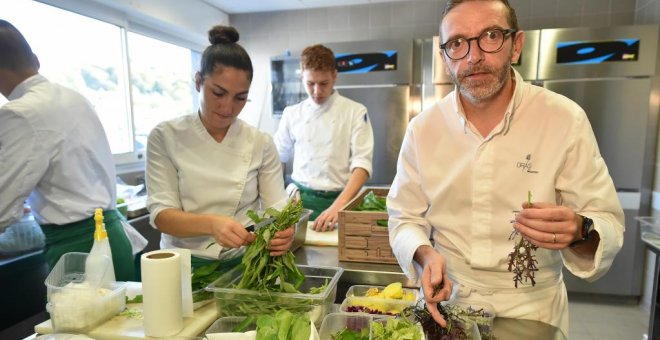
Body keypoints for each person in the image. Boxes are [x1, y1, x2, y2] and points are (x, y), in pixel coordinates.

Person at [386, 0, 624, 336]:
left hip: (532, 308)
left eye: (491, 36)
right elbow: (403, 217)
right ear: (444, 58)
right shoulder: (423, 129)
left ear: (517, 45)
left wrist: (580, 231)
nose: (473, 56)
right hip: (448, 300)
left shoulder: (564, 119)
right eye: (457, 43)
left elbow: (607, 223)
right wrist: (425, 256)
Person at [146, 25, 293, 271]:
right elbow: (162, 215)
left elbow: (276, 210)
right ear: (198, 82)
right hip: (183, 266)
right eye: (218, 93)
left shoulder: (259, 142)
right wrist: (213, 224)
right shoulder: (166, 136)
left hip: (243, 265)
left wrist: (285, 231)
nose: (227, 107)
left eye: (240, 98)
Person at [0, 19, 137, 281]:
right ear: (36, 60)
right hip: (112, 238)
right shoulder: (74, 98)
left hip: (79, 249)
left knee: (81, 322)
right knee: (126, 320)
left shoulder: (20, 113)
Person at [274, 44, 374, 231]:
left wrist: (338, 207)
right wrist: (285, 193)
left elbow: (362, 165)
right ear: (302, 76)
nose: (317, 92)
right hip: (298, 203)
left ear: (334, 76)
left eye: (324, 83)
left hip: (341, 201)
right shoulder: (292, 114)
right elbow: (277, 160)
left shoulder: (355, 111)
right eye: (310, 84)